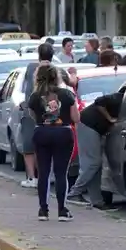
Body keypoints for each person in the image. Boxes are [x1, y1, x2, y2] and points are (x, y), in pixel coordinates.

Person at [27, 63, 77, 221]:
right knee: (61, 173)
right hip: (63, 133)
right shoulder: (67, 94)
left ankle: (43, 210)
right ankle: (62, 210)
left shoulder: (35, 96)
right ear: (57, 77)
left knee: (43, 172)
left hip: (42, 132)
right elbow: (76, 118)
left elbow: (33, 116)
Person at [70, 78, 122, 210]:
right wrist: (110, 118)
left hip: (94, 128)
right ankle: (74, 192)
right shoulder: (119, 98)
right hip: (88, 124)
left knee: (96, 166)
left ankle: (97, 201)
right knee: (93, 163)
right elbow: (99, 101)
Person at [14, 42, 56, 189]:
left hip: (31, 110)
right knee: (44, 146)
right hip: (49, 112)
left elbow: (28, 88)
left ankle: (32, 177)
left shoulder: (31, 67)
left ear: (38, 54)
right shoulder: (55, 69)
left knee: (29, 145)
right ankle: (45, 175)